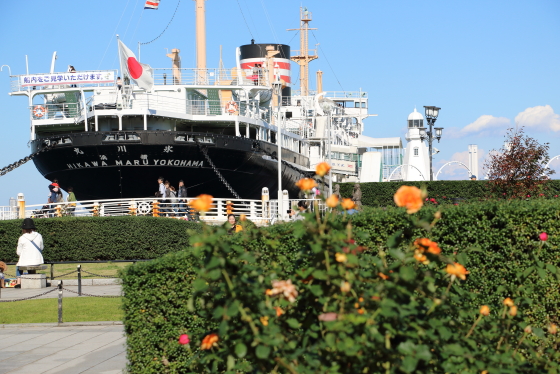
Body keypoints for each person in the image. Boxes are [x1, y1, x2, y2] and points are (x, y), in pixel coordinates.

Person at [16, 218, 44, 286]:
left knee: (18, 265)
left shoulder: (22, 238)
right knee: (30, 262)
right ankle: (32, 278)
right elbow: (41, 247)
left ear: (24, 229)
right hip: (37, 260)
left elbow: (18, 252)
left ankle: (18, 282)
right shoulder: (39, 236)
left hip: (25, 261)